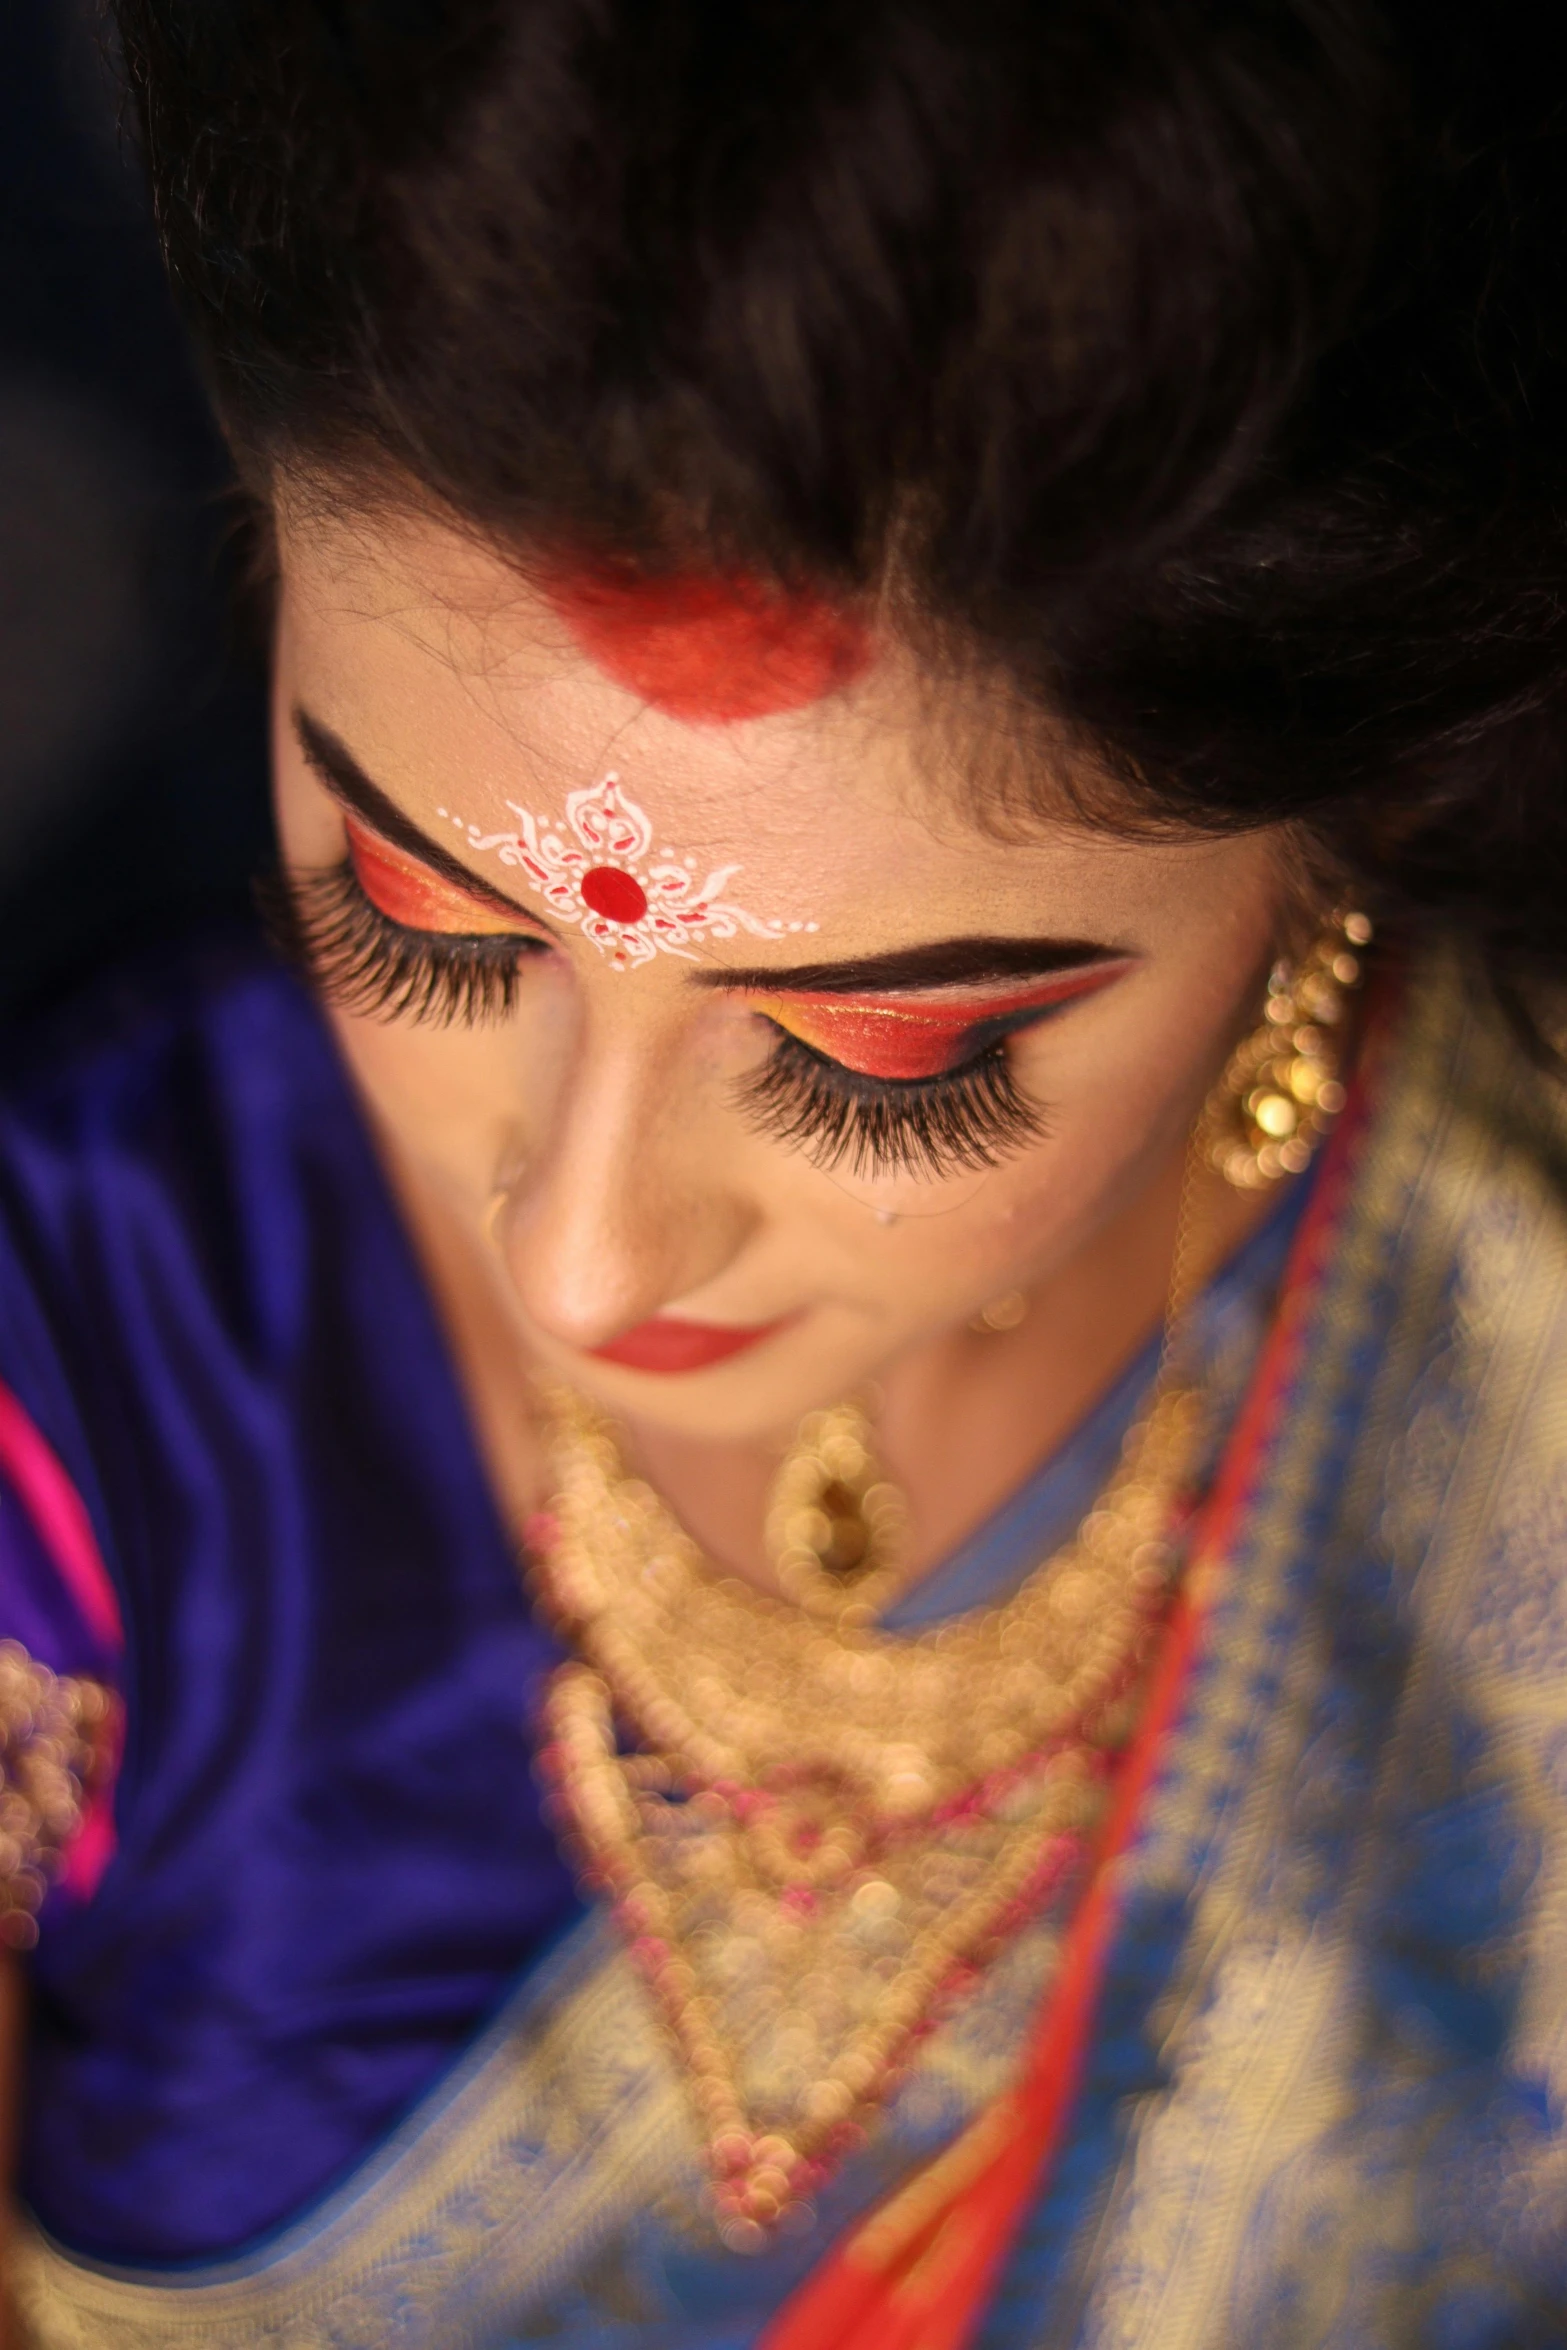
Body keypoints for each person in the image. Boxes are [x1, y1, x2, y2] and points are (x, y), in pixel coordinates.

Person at [3, 2, 1567, 2342]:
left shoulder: (1508, 1291)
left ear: (1345, 842)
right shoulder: (87, 1365)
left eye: (888, 1065)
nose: (583, 1236)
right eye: (416, 916)